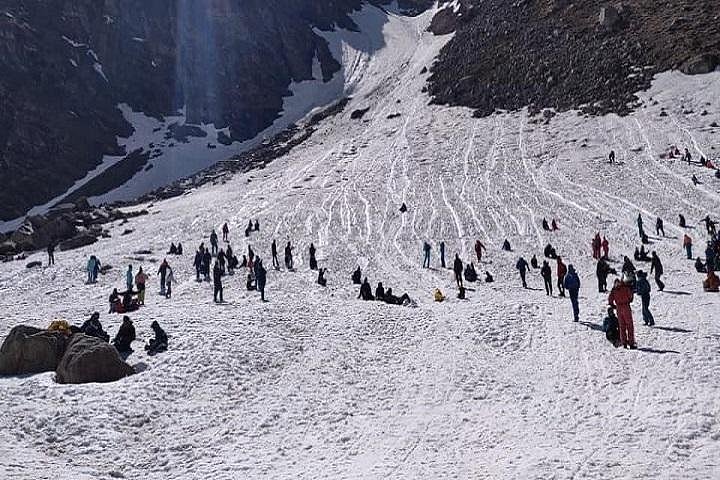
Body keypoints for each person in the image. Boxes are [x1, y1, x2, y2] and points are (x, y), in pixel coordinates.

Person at [608, 279, 637, 349]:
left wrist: (613, 306)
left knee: (621, 326)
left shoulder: (614, 290)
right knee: (629, 326)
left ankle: (624, 343)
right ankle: (631, 343)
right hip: (626, 306)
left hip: (618, 308)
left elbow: (610, 299)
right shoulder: (625, 287)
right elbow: (630, 296)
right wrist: (629, 300)